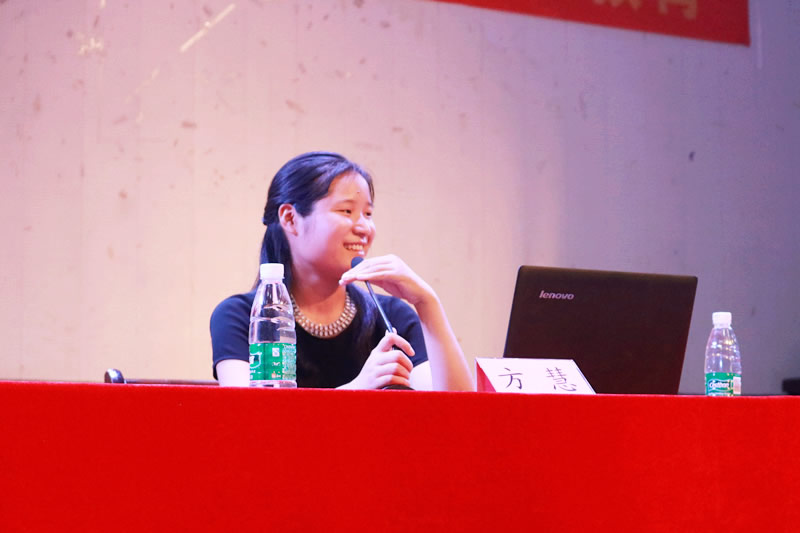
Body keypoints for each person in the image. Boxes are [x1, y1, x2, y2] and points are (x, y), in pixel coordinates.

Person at [210, 151, 473, 391]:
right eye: (347, 211)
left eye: (368, 214)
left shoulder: (392, 317)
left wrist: (426, 301)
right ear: (290, 218)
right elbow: (249, 416)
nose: (364, 228)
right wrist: (358, 388)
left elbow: (458, 411)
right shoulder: (241, 316)